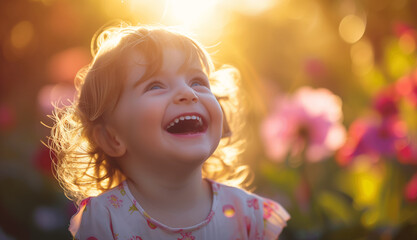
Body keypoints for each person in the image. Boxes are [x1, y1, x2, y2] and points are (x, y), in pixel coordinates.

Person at [50, 24, 290, 240]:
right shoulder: (105, 219)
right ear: (112, 138)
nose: (188, 93)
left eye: (197, 81)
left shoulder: (251, 216)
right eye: (155, 85)